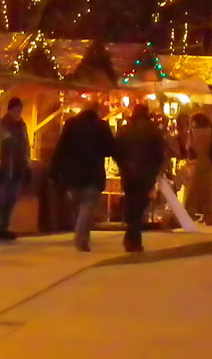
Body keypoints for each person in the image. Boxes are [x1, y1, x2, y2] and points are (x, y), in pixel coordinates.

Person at [49, 101, 117, 251]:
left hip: (72, 174)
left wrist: (54, 170)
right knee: (87, 205)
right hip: (93, 173)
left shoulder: (71, 124)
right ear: (97, 111)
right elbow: (110, 149)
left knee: (77, 204)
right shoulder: (101, 126)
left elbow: (61, 147)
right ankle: (81, 238)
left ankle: (79, 233)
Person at [115, 103, 167, 253]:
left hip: (128, 173)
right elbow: (159, 154)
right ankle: (133, 238)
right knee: (139, 205)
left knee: (132, 203)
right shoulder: (154, 131)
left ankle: (132, 236)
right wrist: (155, 170)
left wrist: (123, 166)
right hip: (146, 173)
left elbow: (117, 150)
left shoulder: (125, 130)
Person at [0, 97, 31, 240]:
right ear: (10, 110)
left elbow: (26, 147)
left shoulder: (22, 126)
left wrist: (27, 165)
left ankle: (4, 227)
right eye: (16, 109)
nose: (18, 112)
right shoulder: (1, 126)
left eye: (20, 109)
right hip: (5, 169)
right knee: (1, 200)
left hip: (17, 170)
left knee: (11, 200)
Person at [184, 112, 212, 226]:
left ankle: (190, 215)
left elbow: (188, 147)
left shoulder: (191, 133)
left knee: (193, 192)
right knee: (209, 192)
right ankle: (208, 217)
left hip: (196, 164)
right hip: (210, 164)